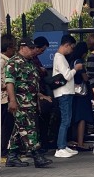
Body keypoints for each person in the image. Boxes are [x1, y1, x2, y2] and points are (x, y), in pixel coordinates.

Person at [5, 37, 52, 168]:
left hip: (31, 102)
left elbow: (32, 83)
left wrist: (40, 95)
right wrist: (12, 101)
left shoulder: (29, 62)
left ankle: (12, 156)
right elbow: (9, 83)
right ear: (22, 47)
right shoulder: (13, 62)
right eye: (31, 48)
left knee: (19, 129)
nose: (33, 51)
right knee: (30, 128)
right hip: (21, 102)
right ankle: (37, 155)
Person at [52, 35, 82, 158]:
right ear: (66, 45)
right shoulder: (59, 58)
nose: (72, 50)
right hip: (63, 93)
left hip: (66, 92)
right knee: (65, 120)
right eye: (71, 47)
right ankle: (60, 147)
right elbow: (67, 76)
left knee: (67, 119)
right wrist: (76, 69)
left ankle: (63, 145)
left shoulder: (60, 57)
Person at [69, 41, 93, 151]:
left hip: (72, 92)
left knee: (74, 117)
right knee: (82, 118)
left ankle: (73, 140)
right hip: (81, 93)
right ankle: (80, 142)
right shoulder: (79, 62)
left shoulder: (71, 60)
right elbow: (85, 78)